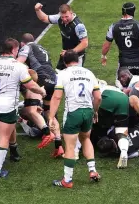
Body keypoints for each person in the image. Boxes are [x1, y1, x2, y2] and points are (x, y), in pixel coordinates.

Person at [0, 38, 46, 179]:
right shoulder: (18, 66)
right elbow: (30, 85)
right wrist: (42, 92)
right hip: (7, 106)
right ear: (14, 50)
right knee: (5, 137)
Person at [48, 50, 102, 188]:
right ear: (78, 60)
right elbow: (98, 97)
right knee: (86, 139)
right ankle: (93, 171)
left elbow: (57, 96)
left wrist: (51, 116)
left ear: (65, 62)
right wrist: (95, 111)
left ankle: (67, 180)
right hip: (88, 111)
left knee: (70, 146)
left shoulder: (63, 73)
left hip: (73, 112)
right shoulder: (88, 73)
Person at [17, 33, 64, 157]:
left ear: (23, 43)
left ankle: (47, 132)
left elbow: (17, 64)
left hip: (41, 78)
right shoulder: (42, 48)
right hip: (53, 79)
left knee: (30, 110)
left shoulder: (26, 47)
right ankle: (59, 146)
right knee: (50, 113)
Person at [101, 2, 139, 79]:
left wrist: (103, 56)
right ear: (133, 12)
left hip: (124, 62)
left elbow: (106, 46)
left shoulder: (113, 26)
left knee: (122, 87)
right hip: (138, 62)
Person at [34, 3, 88, 70]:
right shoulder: (59, 18)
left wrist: (69, 53)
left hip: (76, 57)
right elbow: (44, 18)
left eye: (66, 16)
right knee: (58, 76)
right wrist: (37, 10)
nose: (64, 19)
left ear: (71, 13)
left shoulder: (78, 26)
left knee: (74, 77)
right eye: (62, 17)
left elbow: (85, 43)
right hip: (65, 55)